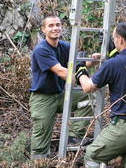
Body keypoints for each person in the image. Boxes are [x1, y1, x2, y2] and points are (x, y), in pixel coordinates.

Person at [75, 22, 126, 168]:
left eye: (114, 38)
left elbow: (88, 87)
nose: (113, 41)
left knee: (92, 155)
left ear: (120, 40)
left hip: (123, 129)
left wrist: (81, 70)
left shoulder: (113, 64)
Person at [29, 14, 98, 160]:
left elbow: (81, 64)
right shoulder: (41, 50)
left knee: (88, 96)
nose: (55, 28)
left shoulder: (66, 47)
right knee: (41, 137)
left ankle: (74, 137)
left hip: (61, 95)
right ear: (43, 30)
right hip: (43, 99)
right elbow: (61, 72)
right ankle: (39, 163)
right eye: (51, 26)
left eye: (58, 25)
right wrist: (82, 79)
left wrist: (93, 60)